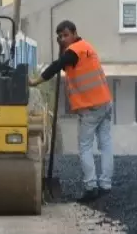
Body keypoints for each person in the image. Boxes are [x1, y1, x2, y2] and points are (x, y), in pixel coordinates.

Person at [29, 20, 113, 203]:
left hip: (91, 107)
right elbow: (61, 62)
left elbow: (55, 66)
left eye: (66, 35)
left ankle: (91, 187)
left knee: (85, 147)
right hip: (105, 103)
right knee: (105, 145)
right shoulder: (87, 46)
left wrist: (35, 82)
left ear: (74, 33)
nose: (63, 39)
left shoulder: (74, 52)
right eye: (59, 37)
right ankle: (105, 185)